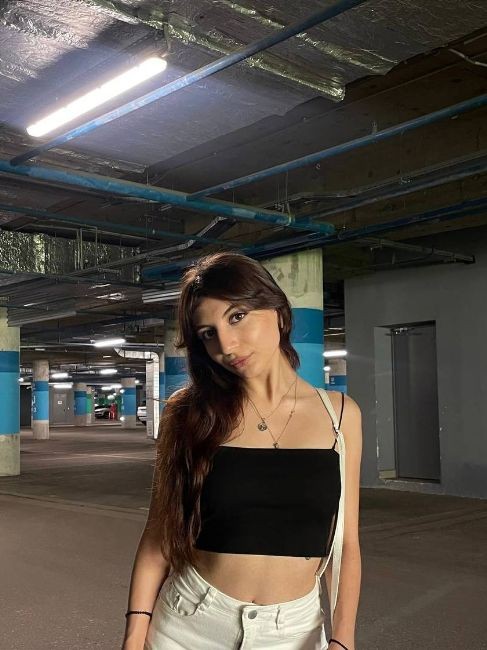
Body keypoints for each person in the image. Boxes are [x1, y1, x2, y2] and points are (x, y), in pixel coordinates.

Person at [122, 252, 362, 650]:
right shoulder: (189, 413)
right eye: (208, 333)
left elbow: (346, 544)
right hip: (189, 626)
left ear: (278, 311)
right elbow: (158, 534)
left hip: (295, 633)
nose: (227, 345)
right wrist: (134, 634)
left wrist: (343, 638)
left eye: (237, 316)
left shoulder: (339, 415)